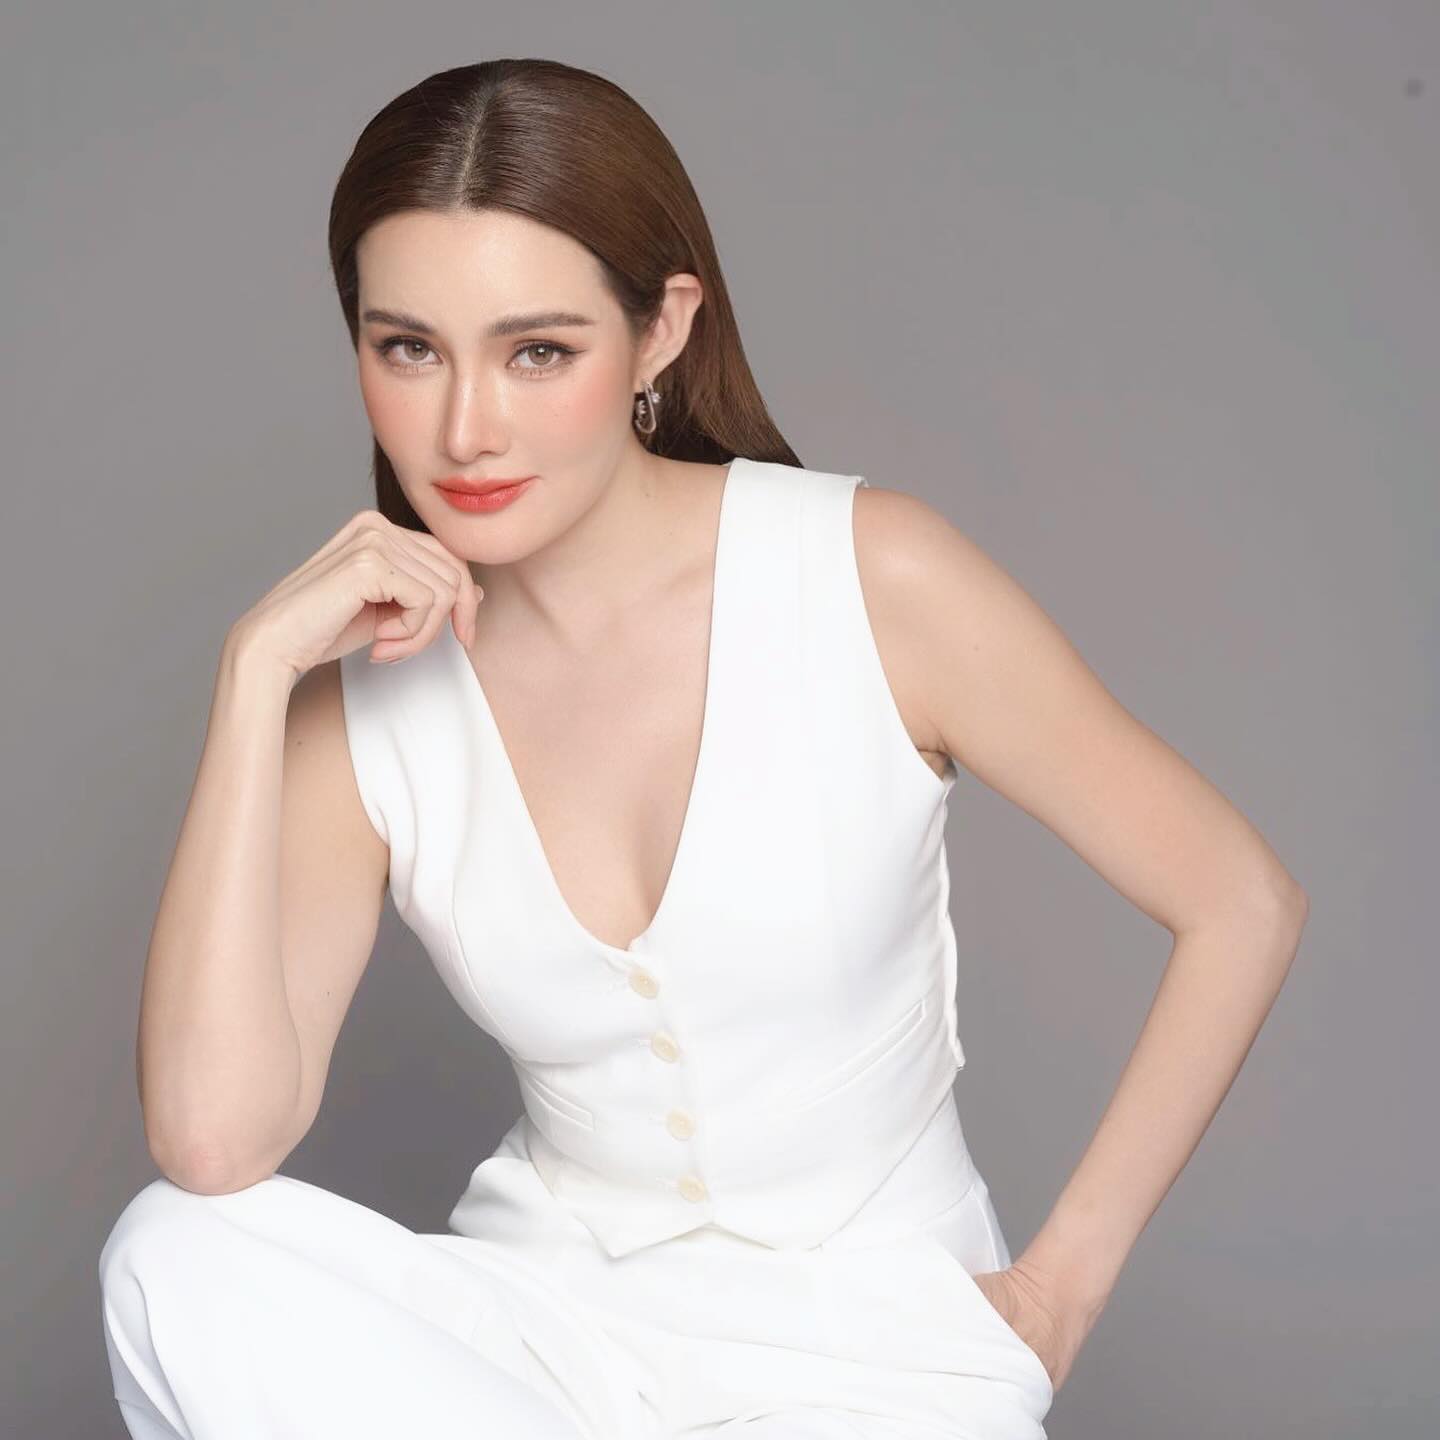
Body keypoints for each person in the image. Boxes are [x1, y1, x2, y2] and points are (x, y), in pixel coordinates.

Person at [97, 57, 1309, 1440]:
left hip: (880, 1350)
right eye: (409, 348)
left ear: (661, 331)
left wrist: (1059, 1291)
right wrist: (252, 678)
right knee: (170, 1252)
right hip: (547, 1344)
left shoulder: (872, 577)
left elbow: (1241, 900)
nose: (465, 428)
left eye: (537, 351)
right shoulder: (362, 704)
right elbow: (214, 1143)